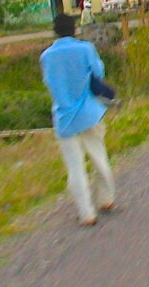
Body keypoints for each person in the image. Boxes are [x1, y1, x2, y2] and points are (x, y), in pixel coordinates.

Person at [40, 13, 115, 226]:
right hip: (89, 112)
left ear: (55, 30)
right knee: (99, 157)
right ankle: (106, 199)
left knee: (75, 168)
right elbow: (98, 72)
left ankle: (86, 213)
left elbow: (49, 82)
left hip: (64, 117)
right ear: (74, 29)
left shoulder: (46, 56)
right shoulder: (85, 49)